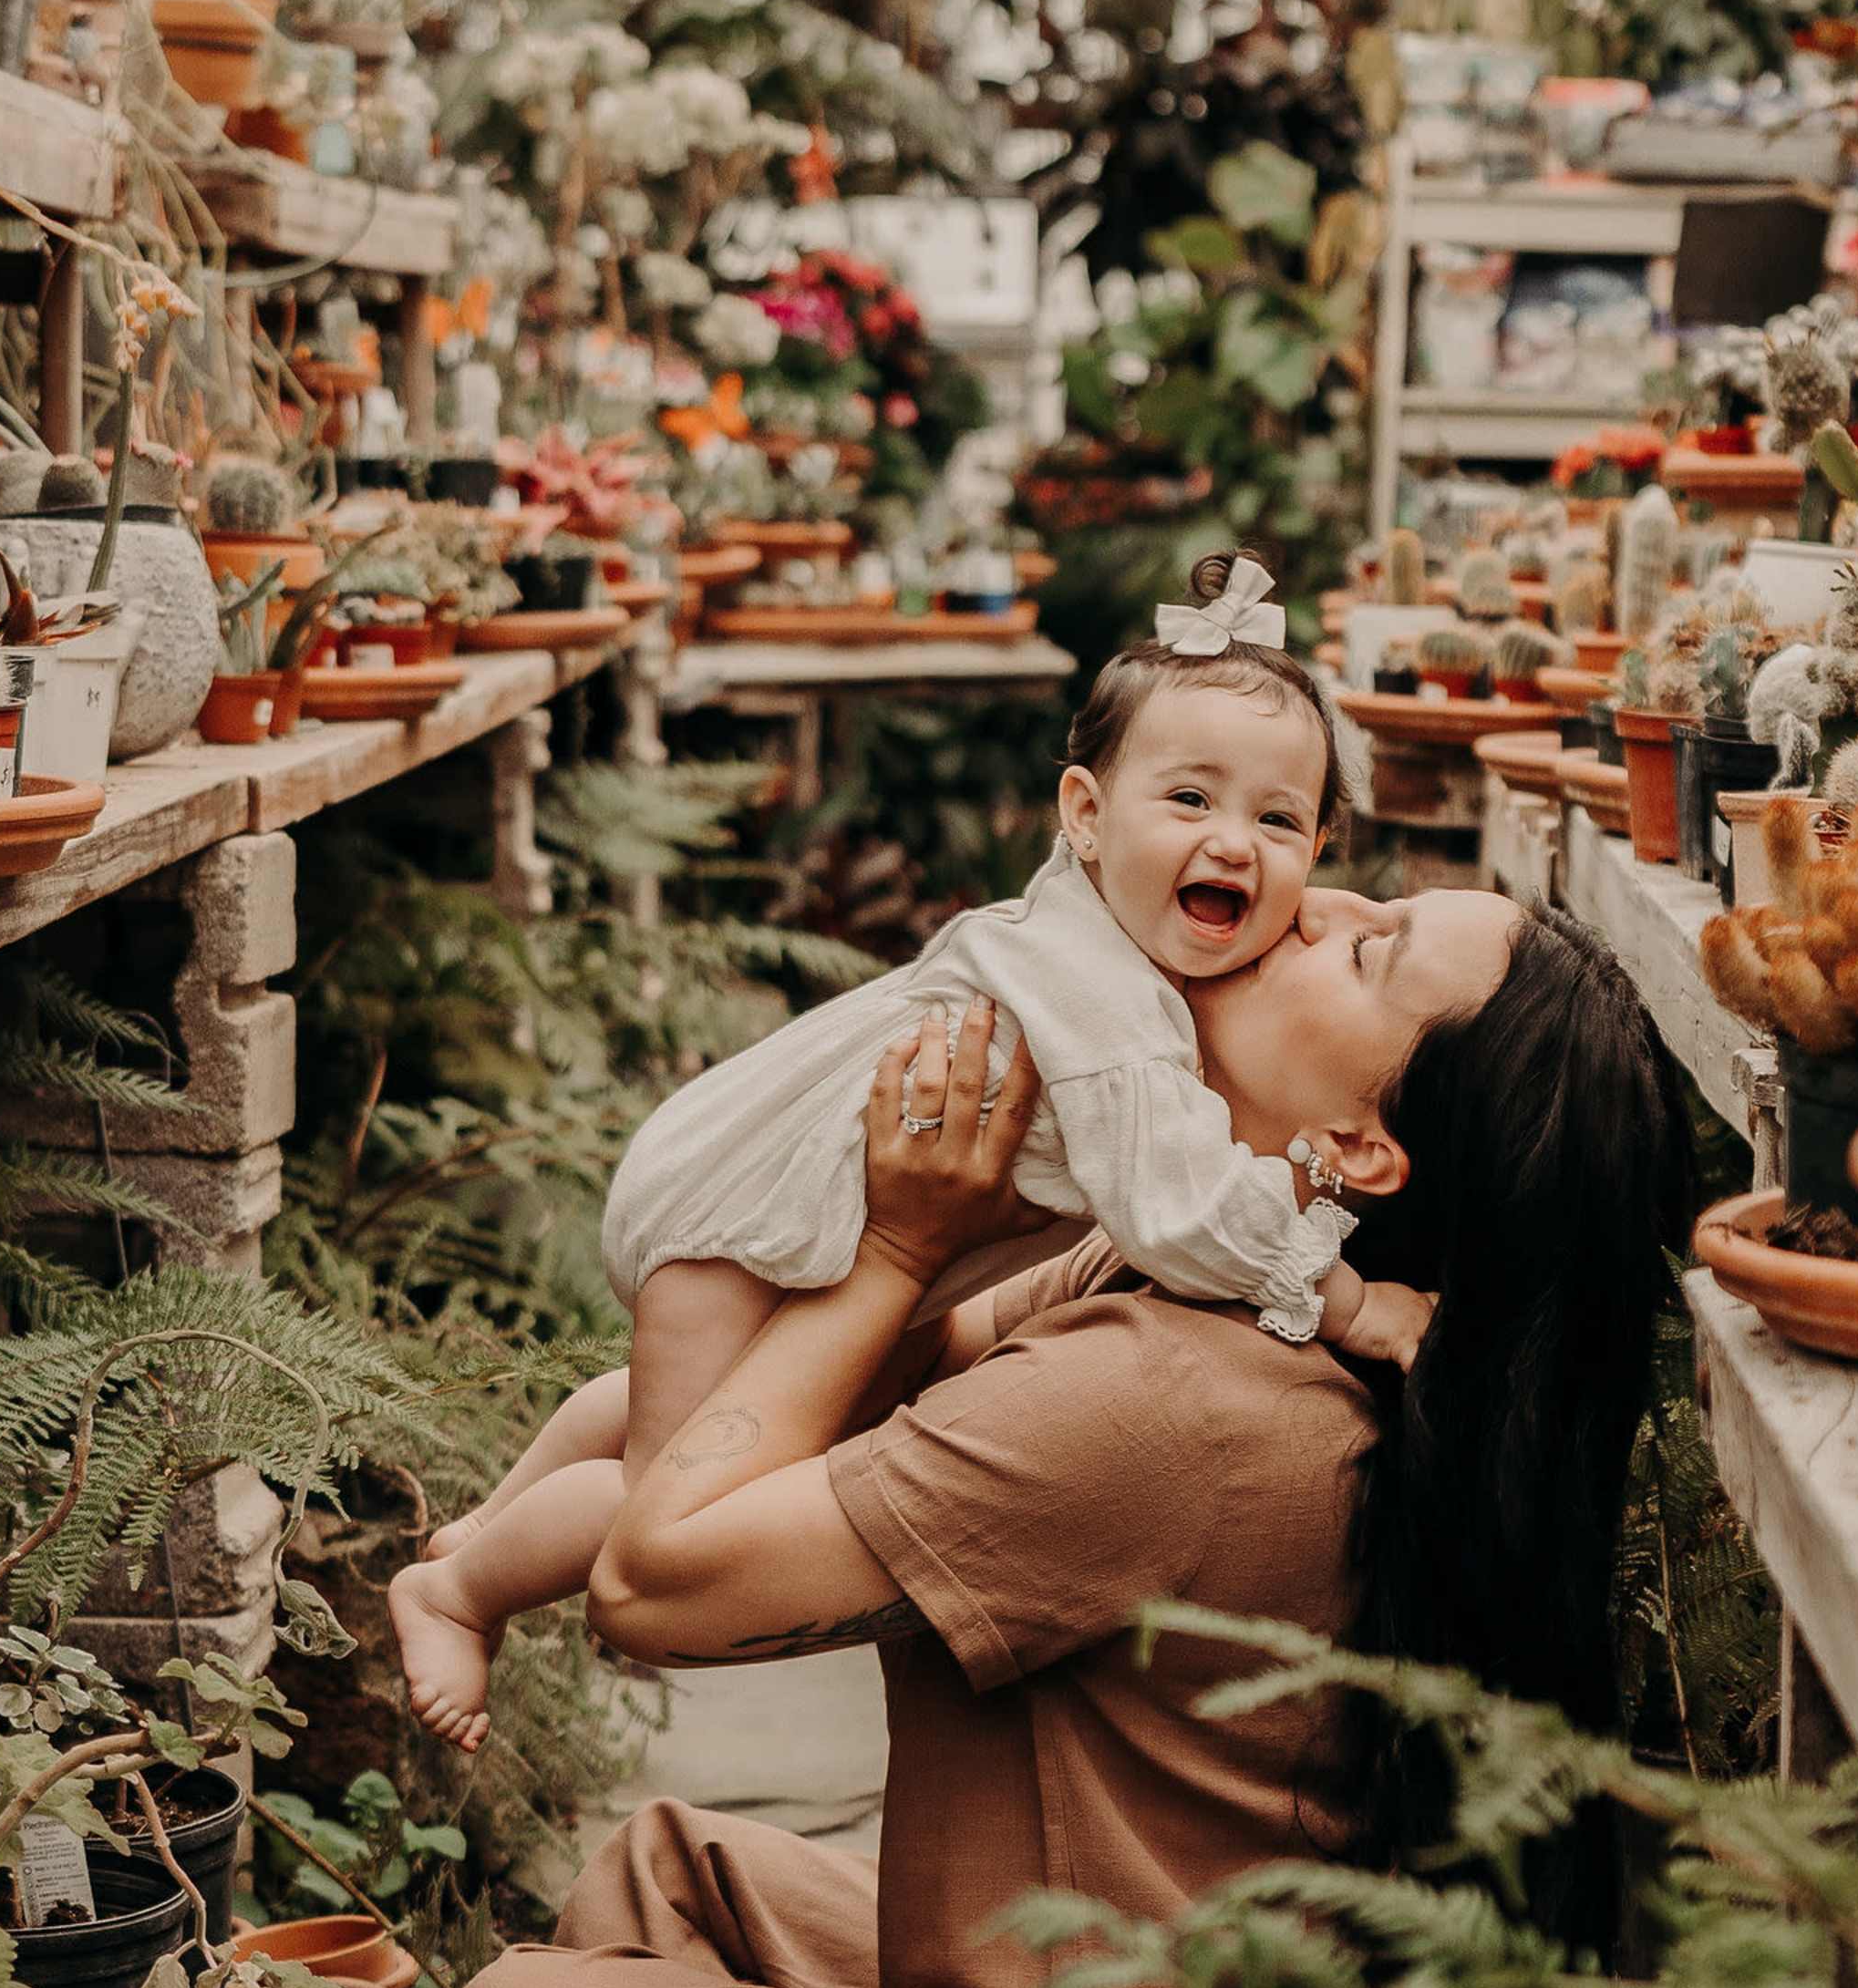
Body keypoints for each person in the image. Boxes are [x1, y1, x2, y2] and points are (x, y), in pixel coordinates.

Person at [408, 878, 1689, 1988]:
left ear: (1365, 1153)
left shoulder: (1174, 1404)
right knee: (669, 1880)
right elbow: (871, 1393)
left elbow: (658, 1579)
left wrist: (891, 1247)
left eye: (1370, 952)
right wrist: (1013, 1167)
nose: (1310, 906)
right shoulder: (1217, 1291)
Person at [387, 557, 1420, 1750]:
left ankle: (492, 1518)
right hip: (753, 1219)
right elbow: (1178, 1214)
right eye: (1189, 801)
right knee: (661, 1490)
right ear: (1084, 815)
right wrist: (1345, 1301)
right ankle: (458, 1590)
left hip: (773, 1195)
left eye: (1279, 820)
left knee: (696, 1406)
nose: (1234, 844)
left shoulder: (1107, 932)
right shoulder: (1108, 1005)